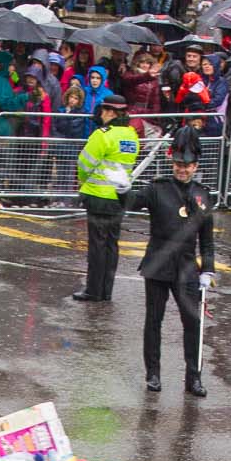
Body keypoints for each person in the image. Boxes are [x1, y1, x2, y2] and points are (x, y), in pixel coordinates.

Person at [127, 134, 213, 396]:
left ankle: (194, 377)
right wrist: (120, 189)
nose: (182, 169)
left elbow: (207, 240)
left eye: (187, 165)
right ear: (172, 162)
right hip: (157, 264)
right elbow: (130, 203)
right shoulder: (157, 189)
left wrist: (208, 268)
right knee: (154, 321)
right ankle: (153, 374)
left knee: (193, 323)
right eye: (178, 164)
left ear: (196, 166)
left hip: (187, 266)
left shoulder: (203, 195)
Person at [71, 91, 136, 303]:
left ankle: (93, 290)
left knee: (97, 246)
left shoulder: (103, 134)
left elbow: (84, 164)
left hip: (98, 196)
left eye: (104, 111)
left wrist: (83, 182)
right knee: (111, 245)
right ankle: (106, 290)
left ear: (110, 112)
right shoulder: (131, 135)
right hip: (119, 197)